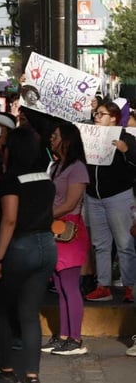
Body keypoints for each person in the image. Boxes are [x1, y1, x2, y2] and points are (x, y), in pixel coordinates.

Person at [0, 127, 56, 383]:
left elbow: (9, 220)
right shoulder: (45, 178)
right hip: (47, 245)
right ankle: (32, 375)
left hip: (20, 247)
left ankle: (6, 372)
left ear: (11, 150)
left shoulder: (11, 179)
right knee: (29, 313)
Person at [42, 122, 90, 356]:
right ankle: (63, 335)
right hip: (53, 229)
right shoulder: (56, 166)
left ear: (67, 140)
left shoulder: (77, 168)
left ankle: (76, 338)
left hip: (69, 231)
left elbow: (70, 203)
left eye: (55, 135)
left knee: (70, 286)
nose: (51, 139)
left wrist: (42, 216)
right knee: (60, 287)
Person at [83, 101, 136, 304]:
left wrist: (125, 151)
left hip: (118, 196)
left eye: (101, 114)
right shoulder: (88, 136)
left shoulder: (126, 138)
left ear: (113, 117)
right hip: (93, 197)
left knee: (125, 243)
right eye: (96, 113)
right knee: (100, 244)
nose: (96, 116)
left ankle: (130, 286)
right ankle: (103, 285)